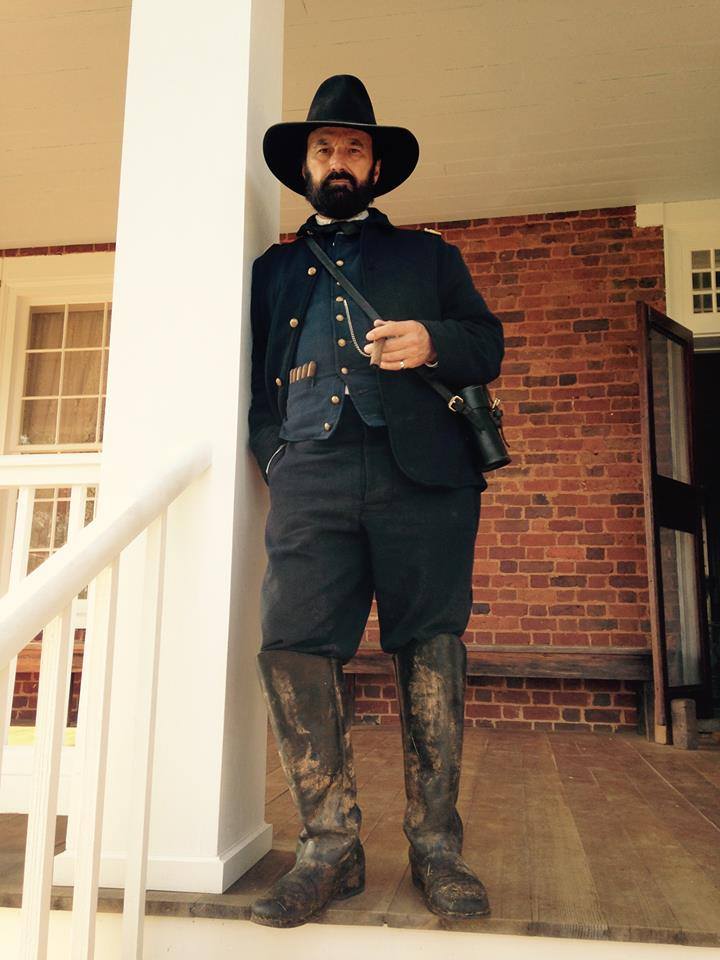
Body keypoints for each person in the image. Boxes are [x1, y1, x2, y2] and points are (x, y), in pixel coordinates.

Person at [248, 75, 504, 928]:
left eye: (354, 147)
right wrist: (276, 456)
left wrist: (433, 338)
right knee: (291, 644)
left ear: (379, 165)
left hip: (421, 476)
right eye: (324, 148)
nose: (338, 160)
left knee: (429, 644)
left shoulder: (429, 258)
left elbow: (487, 343)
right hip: (311, 472)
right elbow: (254, 385)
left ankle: (437, 848)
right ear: (305, 168)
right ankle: (330, 847)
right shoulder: (276, 269)